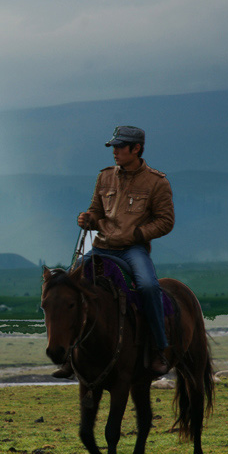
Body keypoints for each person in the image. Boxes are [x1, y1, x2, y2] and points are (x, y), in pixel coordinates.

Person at [54, 125, 174, 378]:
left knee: (150, 287)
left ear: (136, 148)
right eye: (114, 147)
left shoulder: (156, 182)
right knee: (66, 286)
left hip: (133, 250)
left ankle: (158, 349)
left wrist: (136, 234)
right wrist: (87, 219)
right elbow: (96, 211)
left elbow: (166, 221)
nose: (115, 152)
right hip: (100, 248)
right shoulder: (105, 176)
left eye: (120, 147)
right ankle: (69, 355)